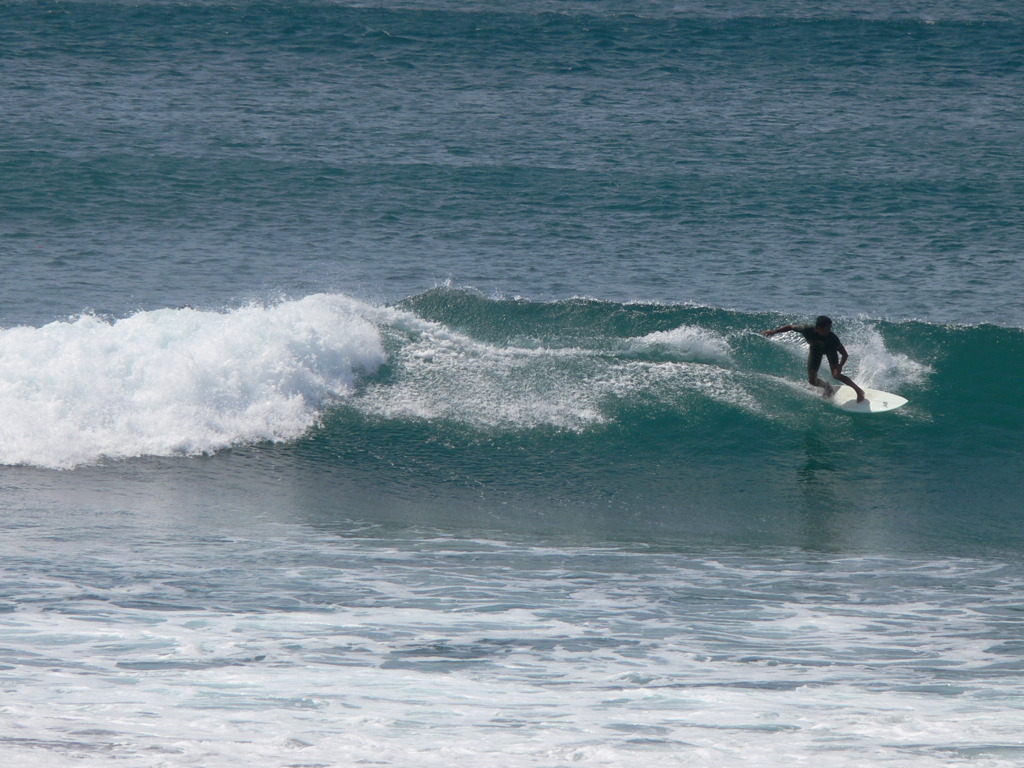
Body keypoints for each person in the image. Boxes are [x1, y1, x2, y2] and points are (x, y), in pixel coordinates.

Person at [762, 316, 866, 402]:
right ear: (819, 328)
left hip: (830, 350)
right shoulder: (807, 329)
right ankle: (828, 388)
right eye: (827, 328)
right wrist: (773, 331)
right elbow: (790, 327)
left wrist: (839, 366)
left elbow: (845, 354)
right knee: (812, 380)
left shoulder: (833, 338)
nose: (830, 330)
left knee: (836, 375)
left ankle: (859, 391)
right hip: (815, 351)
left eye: (830, 327)